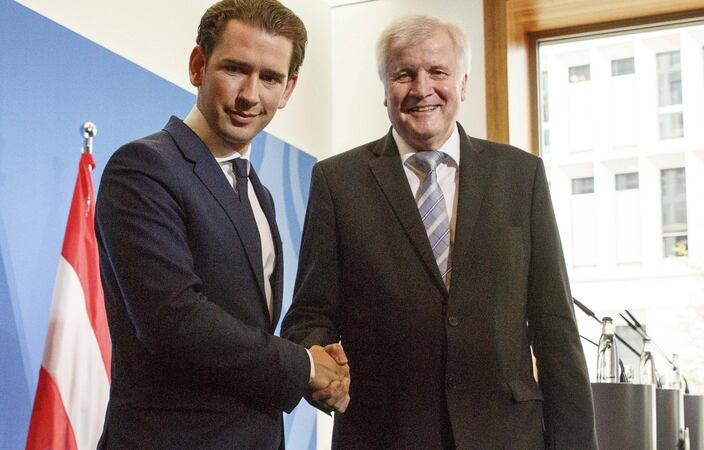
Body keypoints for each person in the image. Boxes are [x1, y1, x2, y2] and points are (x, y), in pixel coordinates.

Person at [282, 14, 597, 449]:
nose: (421, 88)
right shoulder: (338, 181)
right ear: (385, 90)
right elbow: (310, 316)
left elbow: (555, 326)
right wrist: (322, 374)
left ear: (463, 84)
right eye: (404, 74)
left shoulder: (520, 176)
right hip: (384, 435)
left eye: (438, 72)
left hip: (507, 435)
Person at [95, 1, 348, 448]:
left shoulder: (259, 194)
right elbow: (175, 322)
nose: (250, 94)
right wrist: (304, 367)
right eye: (235, 69)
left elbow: (248, 333)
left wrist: (321, 369)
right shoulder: (142, 168)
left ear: (289, 89)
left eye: (270, 78)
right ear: (198, 65)